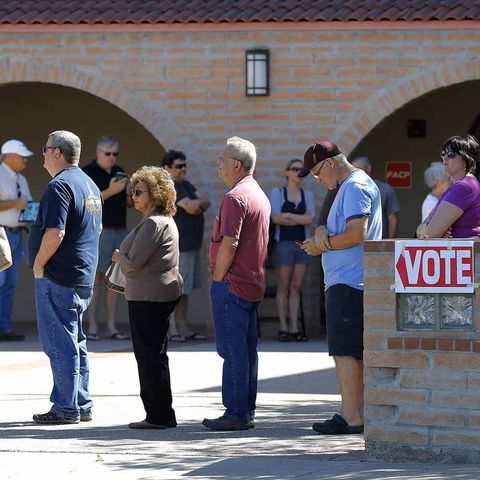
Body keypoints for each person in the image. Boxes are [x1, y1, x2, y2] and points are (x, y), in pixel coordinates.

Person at [298, 140, 382, 435]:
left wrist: (323, 245)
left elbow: (356, 233)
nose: (318, 180)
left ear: (331, 162)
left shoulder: (356, 185)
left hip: (349, 280)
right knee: (349, 351)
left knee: (345, 351)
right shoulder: (346, 186)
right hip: (346, 280)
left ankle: (351, 416)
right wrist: (322, 232)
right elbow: (339, 229)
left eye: (318, 173)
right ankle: (355, 412)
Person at [29, 130, 102, 424]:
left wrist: (38, 264)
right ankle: (81, 403)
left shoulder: (60, 186)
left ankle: (65, 407)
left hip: (58, 277)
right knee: (76, 341)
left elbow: (55, 232)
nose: (43, 154)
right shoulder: (90, 184)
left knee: (59, 343)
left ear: (57, 152)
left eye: (45, 149)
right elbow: (94, 230)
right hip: (81, 275)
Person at [203, 136, 270, 431]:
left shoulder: (235, 197)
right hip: (251, 283)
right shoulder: (258, 194)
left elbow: (230, 242)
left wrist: (218, 277)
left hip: (233, 284)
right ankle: (244, 410)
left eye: (223, 159)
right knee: (245, 350)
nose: (219, 164)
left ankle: (236, 413)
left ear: (237, 165)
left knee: (232, 351)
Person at [111, 166, 183, 429]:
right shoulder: (159, 219)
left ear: (155, 193)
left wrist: (119, 256)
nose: (134, 196)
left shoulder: (154, 222)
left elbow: (132, 265)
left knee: (150, 357)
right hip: (153, 294)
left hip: (149, 297)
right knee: (155, 355)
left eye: (139, 191)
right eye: (132, 191)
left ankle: (158, 416)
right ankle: (161, 414)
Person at [83, 136, 130, 340]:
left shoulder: (119, 171)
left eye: (115, 154)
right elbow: (87, 203)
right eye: (108, 153)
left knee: (115, 280)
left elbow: (128, 204)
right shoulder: (87, 173)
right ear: (98, 152)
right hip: (99, 232)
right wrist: (111, 191)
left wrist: (128, 193)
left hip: (120, 231)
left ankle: (111, 327)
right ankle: (92, 325)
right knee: (97, 279)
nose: (112, 158)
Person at [162, 149, 210, 342]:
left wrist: (195, 204)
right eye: (179, 166)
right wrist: (194, 205)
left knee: (185, 290)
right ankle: (172, 328)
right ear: (167, 168)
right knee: (175, 290)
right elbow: (191, 207)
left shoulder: (186, 185)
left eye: (185, 165)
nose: (183, 169)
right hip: (178, 247)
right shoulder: (171, 187)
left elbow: (204, 202)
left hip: (192, 245)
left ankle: (183, 326)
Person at [269, 158, 315, 342]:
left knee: (296, 287)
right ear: (287, 172)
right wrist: (296, 218)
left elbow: (309, 219)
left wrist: (288, 215)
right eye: (295, 169)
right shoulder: (278, 192)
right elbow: (276, 218)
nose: (298, 172)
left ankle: (295, 327)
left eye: (302, 169)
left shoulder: (307, 194)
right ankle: (283, 326)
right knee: (284, 286)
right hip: (283, 244)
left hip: (302, 244)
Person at [0, 140, 34, 341]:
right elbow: (18, 203)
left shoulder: (21, 179)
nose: (24, 160)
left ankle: (4, 329)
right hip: (1, 234)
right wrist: (15, 203)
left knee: (10, 284)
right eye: (22, 157)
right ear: (10, 156)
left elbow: (27, 205)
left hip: (17, 234)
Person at [417, 135, 480, 239]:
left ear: (465, 158)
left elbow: (430, 234)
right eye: (443, 154)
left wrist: (427, 228)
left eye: (450, 154)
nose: (444, 158)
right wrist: (428, 227)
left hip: (466, 253)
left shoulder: (464, 187)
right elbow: (420, 231)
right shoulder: (460, 186)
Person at [351, 156, 399, 239]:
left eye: (358, 169)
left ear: (369, 169)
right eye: (352, 170)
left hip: (379, 240)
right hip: (356, 242)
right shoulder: (350, 190)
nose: (355, 173)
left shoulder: (385, 189)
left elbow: (392, 219)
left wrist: (390, 244)